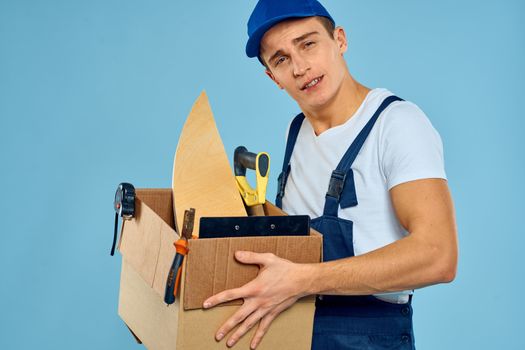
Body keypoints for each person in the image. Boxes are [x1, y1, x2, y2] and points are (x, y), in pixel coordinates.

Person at [203, 0, 458, 349]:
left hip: (370, 337)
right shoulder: (298, 132)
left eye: (308, 44)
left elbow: (438, 255)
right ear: (272, 77)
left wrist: (302, 280)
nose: (300, 67)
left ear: (339, 40)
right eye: (280, 59)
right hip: (294, 330)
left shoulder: (396, 124)